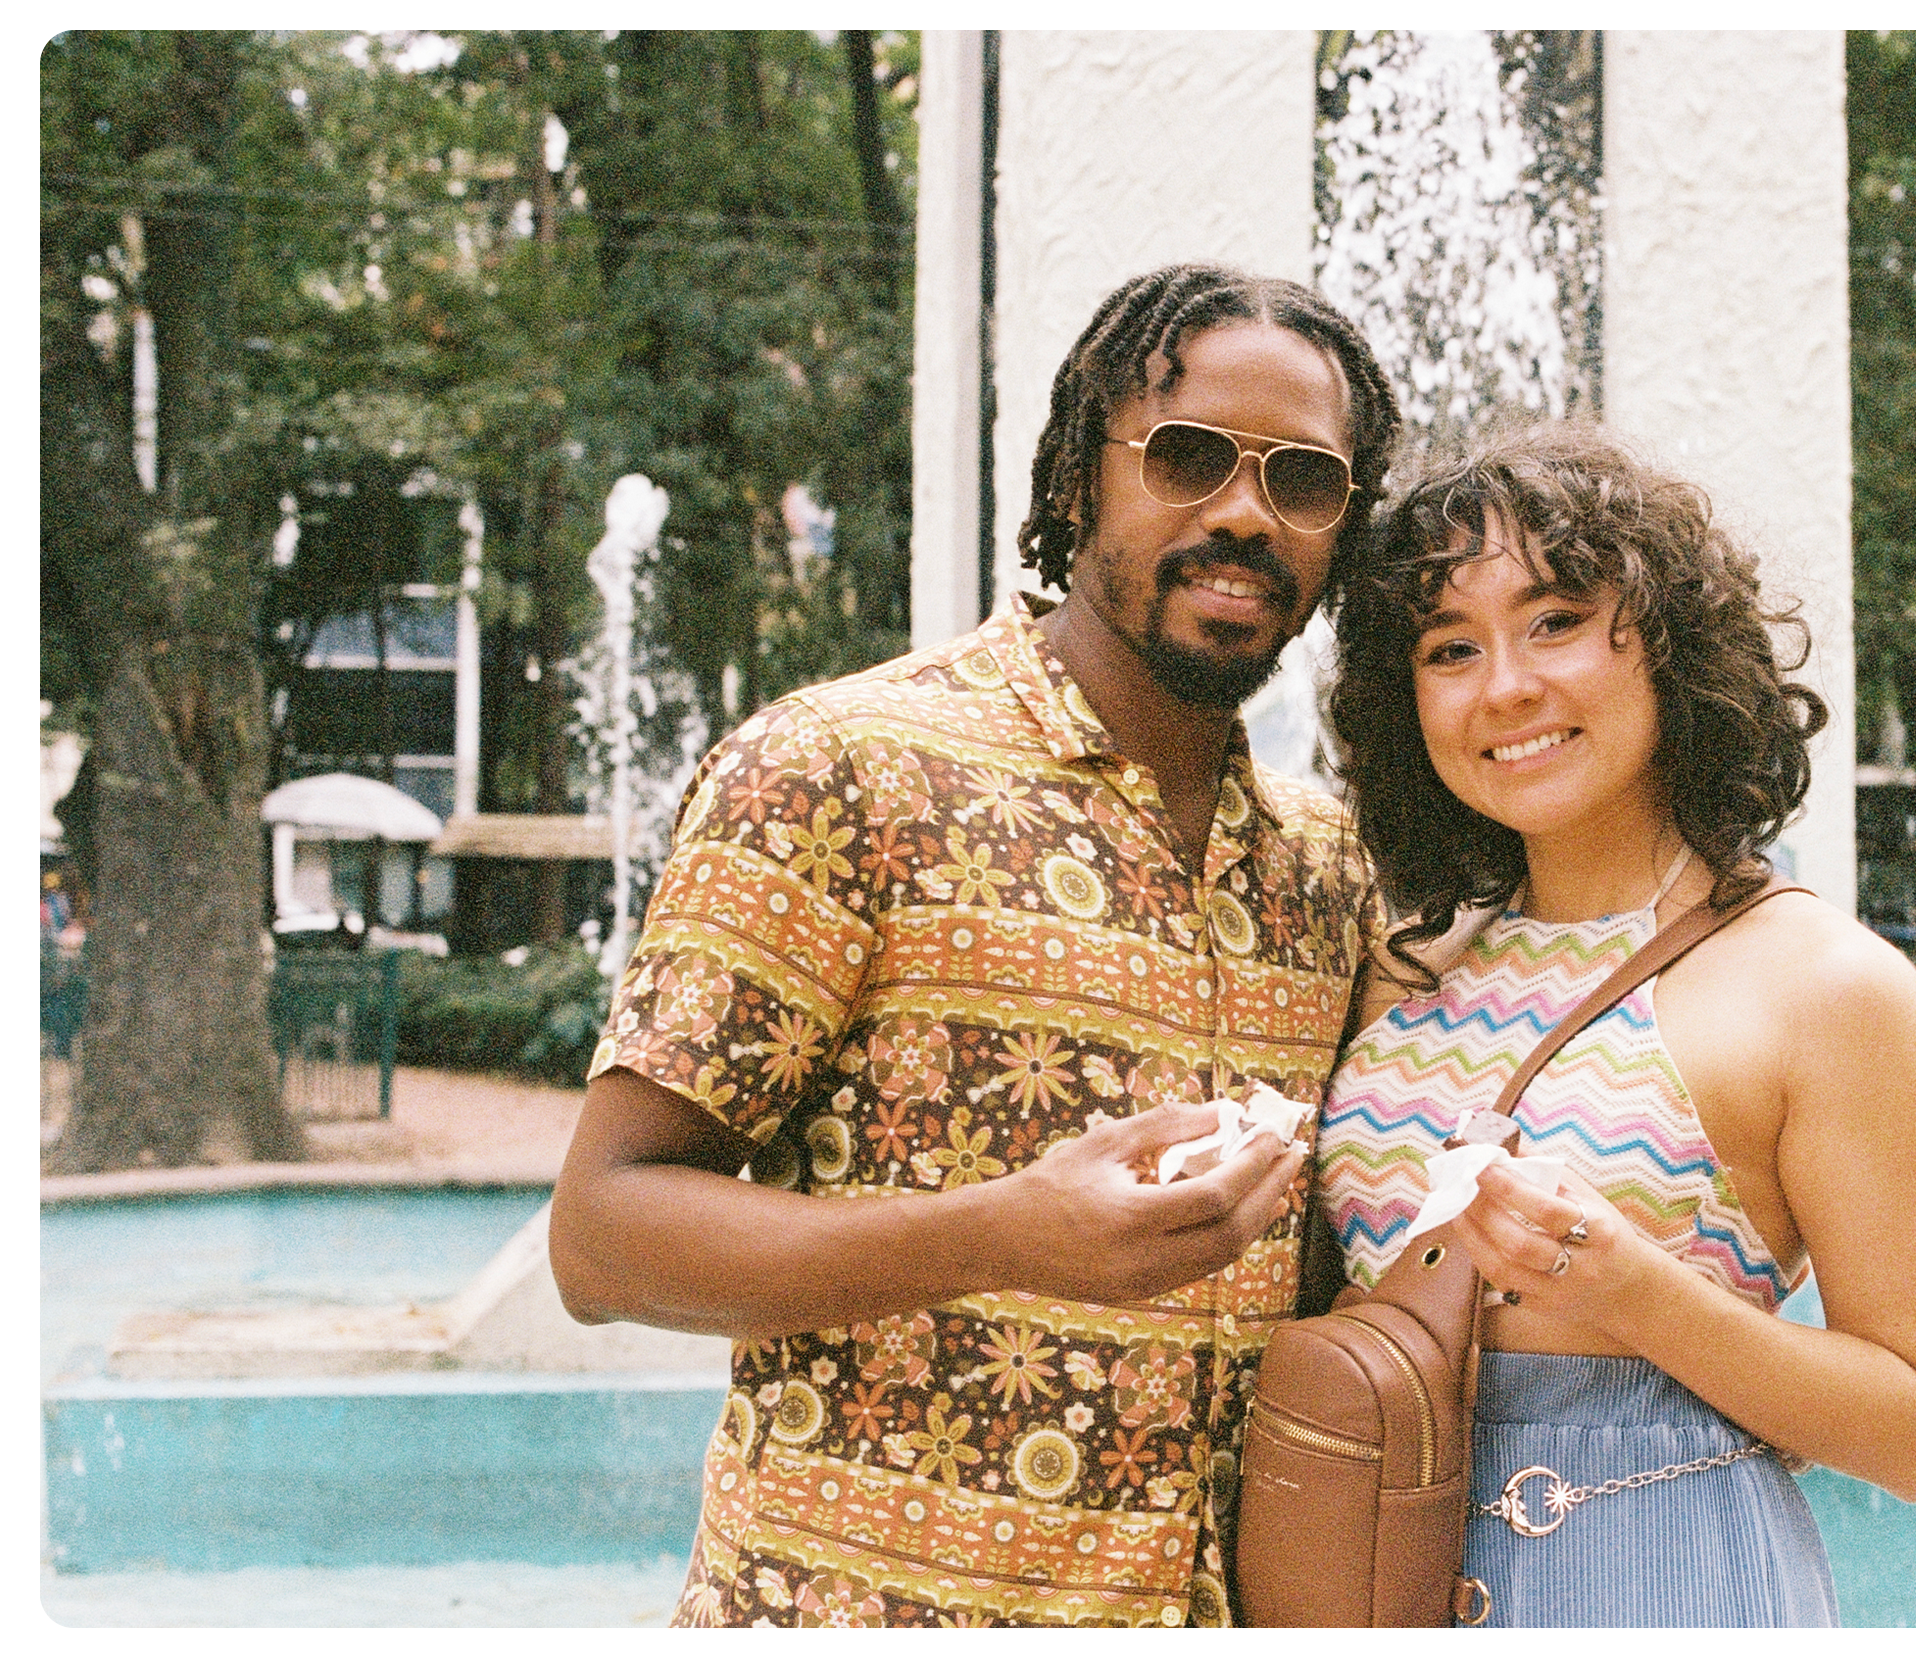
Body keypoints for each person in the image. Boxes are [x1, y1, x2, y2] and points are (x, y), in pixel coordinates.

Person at [549, 263, 1402, 1631]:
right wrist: (999, 1235)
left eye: (1304, 480)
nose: (1245, 512)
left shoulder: (1329, 866)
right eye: (1188, 457)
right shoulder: (843, 769)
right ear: (1077, 480)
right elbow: (601, 1237)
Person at [1317, 425, 1916, 1630]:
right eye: (1449, 647)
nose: (1505, 684)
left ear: (1669, 644)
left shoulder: (1824, 988)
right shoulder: (1400, 974)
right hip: (1380, 1574)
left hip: (1668, 1578)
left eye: (1555, 620)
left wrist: (1631, 1289)